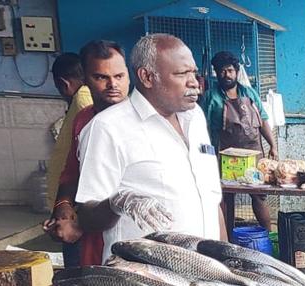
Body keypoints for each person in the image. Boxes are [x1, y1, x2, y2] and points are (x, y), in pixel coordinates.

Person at [75, 34, 223, 262]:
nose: (193, 82)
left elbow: (211, 199)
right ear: (146, 77)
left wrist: (224, 259)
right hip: (146, 281)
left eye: (193, 73)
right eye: (181, 74)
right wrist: (118, 202)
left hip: (205, 271)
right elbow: (86, 217)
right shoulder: (107, 128)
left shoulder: (195, 118)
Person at [42, 40, 130, 267]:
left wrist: (79, 224)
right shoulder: (84, 119)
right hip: (88, 230)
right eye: (101, 77)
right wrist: (63, 209)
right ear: (86, 81)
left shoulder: (141, 123)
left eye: (119, 76)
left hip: (126, 233)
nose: (113, 84)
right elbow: (72, 172)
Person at [199, 51, 278, 232]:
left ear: (236, 71)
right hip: (224, 155)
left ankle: (267, 236)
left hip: (253, 154)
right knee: (226, 196)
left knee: (258, 196)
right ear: (216, 73)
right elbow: (201, 125)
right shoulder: (211, 97)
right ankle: (227, 239)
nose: (226, 75)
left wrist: (273, 145)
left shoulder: (249, 93)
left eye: (230, 70)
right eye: (222, 71)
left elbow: (263, 120)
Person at [45, 52, 92, 266]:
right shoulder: (83, 100)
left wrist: (69, 209)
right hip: (70, 200)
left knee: (77, 263)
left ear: (64, 84)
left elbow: (87, 158)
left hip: (78, 204)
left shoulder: (83, 100)